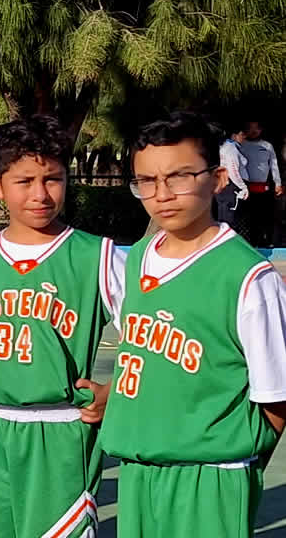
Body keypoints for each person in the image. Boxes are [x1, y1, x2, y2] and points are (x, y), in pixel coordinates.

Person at [99, 111, 286, 538]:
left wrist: (233, 465)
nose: (162, 194)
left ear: (218, 178)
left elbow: (276, 399)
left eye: (180, 176)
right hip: (138, 471)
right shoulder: (138, 259)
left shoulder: (247, 278)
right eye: (147, 181)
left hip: (210, 478)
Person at [0, 115, 125, 538]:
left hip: (63, 429)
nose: (40, 194)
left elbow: (146, 338)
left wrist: (111, 393)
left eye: (53, 179)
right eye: (24, 181)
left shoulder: (97, 256)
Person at [234, 121, 280, 246]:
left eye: (257, 128)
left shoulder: (267, 146)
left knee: (266, 216)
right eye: (251, 128)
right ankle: (251, 243)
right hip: (245, 188)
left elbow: (273, 165)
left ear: (261, 130)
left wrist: (278, 183)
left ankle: (266, 242)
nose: (254, 131)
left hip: (264, 187)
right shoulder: (240, 146)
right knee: (249, 218)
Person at [215, 130, 248, 226]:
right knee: (229, 217)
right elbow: (233, 171)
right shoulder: (231, 148)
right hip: (230, 185)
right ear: (234, 135)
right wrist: (243, 187)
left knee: (222, 215)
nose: (244, 137)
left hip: (221, 184)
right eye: (242, 134)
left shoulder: (222, 147)